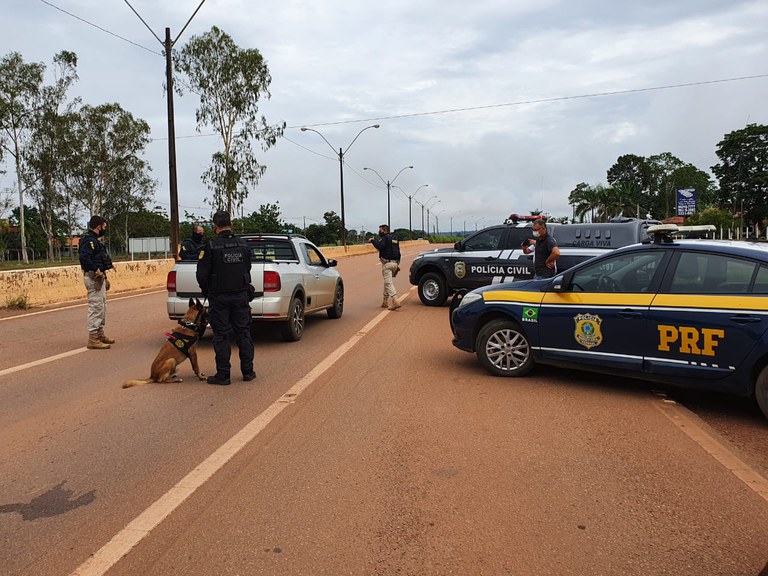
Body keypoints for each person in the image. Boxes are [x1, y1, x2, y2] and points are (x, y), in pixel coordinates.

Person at [196, 211, 255, 385]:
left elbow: (201, 274)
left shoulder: (211, 246)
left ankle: (223, 375)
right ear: (231, 224)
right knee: (243, 333)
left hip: (219, 298)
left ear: (215, 226)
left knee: (221, 335)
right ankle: (248, 372)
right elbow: (248, 267)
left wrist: (207, 290)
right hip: (241, 296)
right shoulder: (243, 245)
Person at [79, 215, 115, 349]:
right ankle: (93, 338)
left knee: (102, 306)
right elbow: (85, 258)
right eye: (104, 227)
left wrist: (104, 276)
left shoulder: (96, 241)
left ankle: (100, 334)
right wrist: (95, 270)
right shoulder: (89, 242)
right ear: (99, 227)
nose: (105, 229)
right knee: (96, 307)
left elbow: (99, 260)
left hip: (99, 279)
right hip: (93, 278)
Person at [369, 224, 402, 310]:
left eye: (380, 230)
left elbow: (380, 246)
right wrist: (397, 264)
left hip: (387, 264)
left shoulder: (385, 238)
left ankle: (395, 301)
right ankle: (385, 301)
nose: (379, 231)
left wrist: (372, 241)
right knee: (387, 282)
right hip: (395, 263)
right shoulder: (394, 238)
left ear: (384, 230)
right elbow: (398, 251)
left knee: (388, 283)